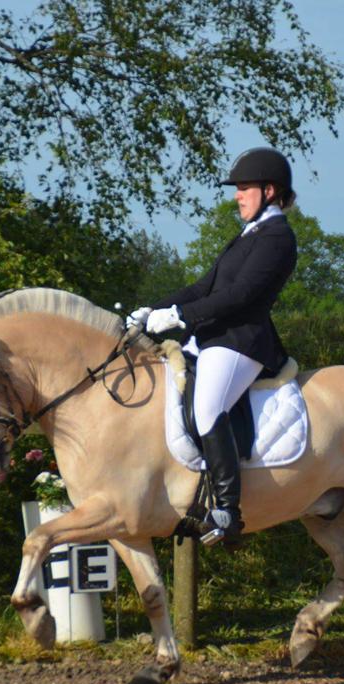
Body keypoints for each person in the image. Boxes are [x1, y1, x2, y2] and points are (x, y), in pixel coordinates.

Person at [127, 147, 298, 546]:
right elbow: (204, 287)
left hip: (242, 342)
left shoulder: (277, 238)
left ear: (269, 191)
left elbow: (240, 296)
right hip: (212, 339)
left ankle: (227, 511)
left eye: (244, 189)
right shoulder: (248, 234)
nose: (237, 196)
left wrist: (181, 317)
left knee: (207, 408)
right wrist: (154, 309)